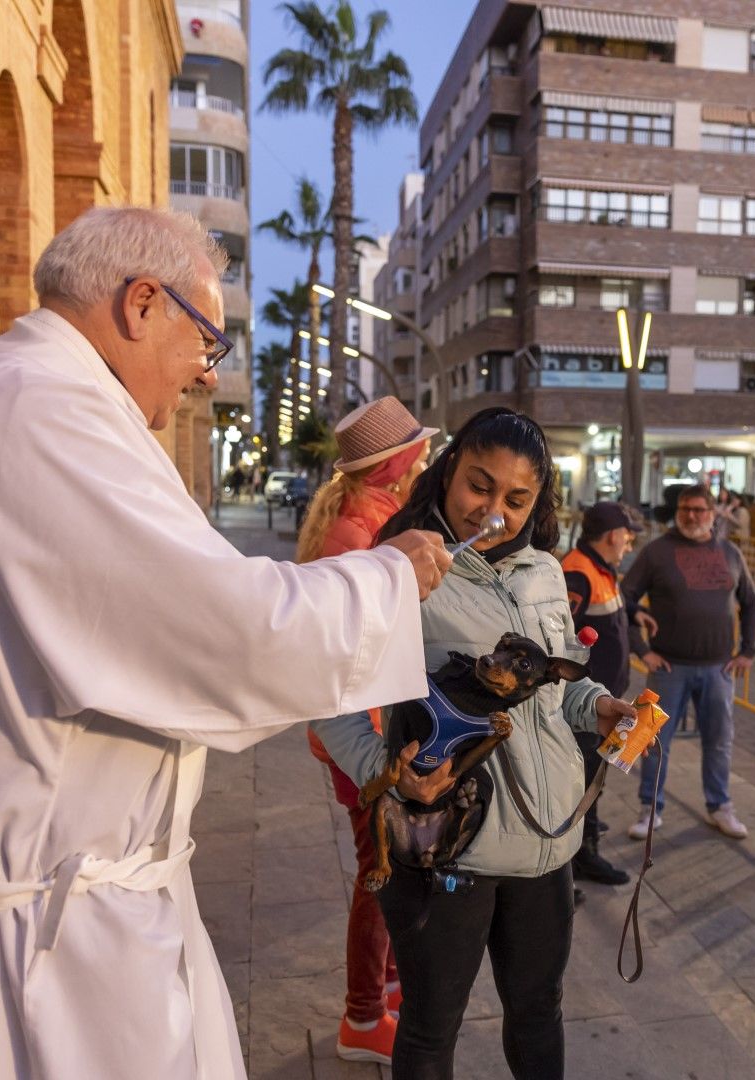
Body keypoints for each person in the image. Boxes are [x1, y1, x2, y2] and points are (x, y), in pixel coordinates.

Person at [0, 207, 452, 1080]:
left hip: (18, 919)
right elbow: (219, 630)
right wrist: (390, 579)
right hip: (33, 958)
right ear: (142, 303)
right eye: (208, 348)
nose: (202, 380)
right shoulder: (43, 415)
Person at [312, 407, 636, 1080]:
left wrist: (599, 706)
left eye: (517, 499)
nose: (494, 511)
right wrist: (386, 773)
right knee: (431, 1030)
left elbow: (557, 686)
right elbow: (329, 703)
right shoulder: (401, 567)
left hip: (550, 845)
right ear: (447, 473)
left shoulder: (544, 572)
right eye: (478, 487)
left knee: (539, 1009)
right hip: (451, 851)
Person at [294, 396, 437, 1064]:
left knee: (387, 866)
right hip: (367, 740)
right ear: (401, 464)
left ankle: (385, 982)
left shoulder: (371, 521)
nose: (430, 458)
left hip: (375, 732)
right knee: (379, 874)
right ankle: (360, 1017)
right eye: (421, 451)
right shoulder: (363, 537)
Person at [622, 485, 755, 841]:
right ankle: (649, 810)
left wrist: (748, 650)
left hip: (718, 669)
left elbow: (752, 602)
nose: (692, 516)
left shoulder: (730, 553)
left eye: (700, 509)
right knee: (650, 739)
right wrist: (642, 650)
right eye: (685, 509)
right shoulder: (656, 552)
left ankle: (720, 806)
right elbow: (624, 601)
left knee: (719, 741)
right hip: (667, 667)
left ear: (713, 513)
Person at [560, 501, 656, 887]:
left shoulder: (600, 567)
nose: (629, 545)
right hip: (585, 705)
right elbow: (563, 636)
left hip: (605, 700)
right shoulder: (577, 573)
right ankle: (578, 860)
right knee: (583, 780)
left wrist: (634, 613)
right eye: (628, 538)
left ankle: (587, 840)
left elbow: (616, 602)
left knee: (597, 774)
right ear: (614, 535)